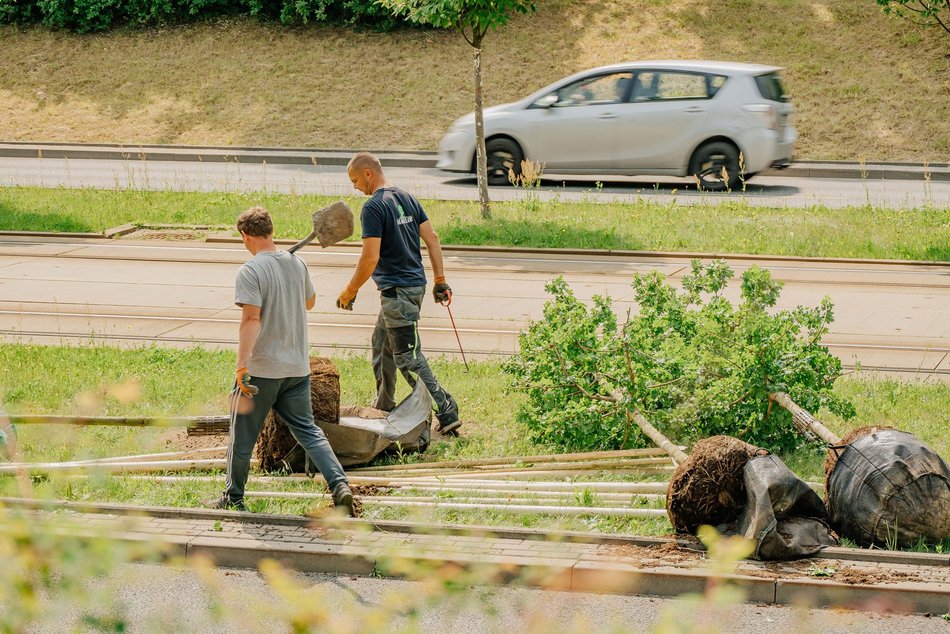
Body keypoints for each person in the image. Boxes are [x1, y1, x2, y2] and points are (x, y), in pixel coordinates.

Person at [206, 206, 356, 515]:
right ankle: (339, 484)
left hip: (262, 371)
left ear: (246, 236)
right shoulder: (297, 263)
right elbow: (310, 302)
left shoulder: (250, 271)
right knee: (309, 431)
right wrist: (288, 281)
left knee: (241, 435)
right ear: (271, 231)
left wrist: (241, 367)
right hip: (297, 369)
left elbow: (250, 320)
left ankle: (233, 498)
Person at [337, 152, 460, 434]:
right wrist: (440, 280)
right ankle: (385, 404)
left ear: (368, 173)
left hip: (398, 294)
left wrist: (350, 290)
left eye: (355, 180)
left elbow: (370, 258)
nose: (355, 187)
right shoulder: (407, 198)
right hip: (413, 287)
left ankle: (446, 408)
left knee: (408, 357)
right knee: (381, 343)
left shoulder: (373, 208)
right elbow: (432, 239)